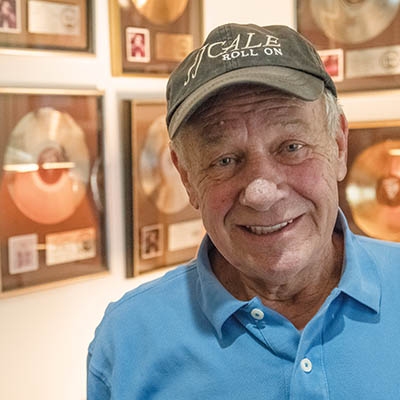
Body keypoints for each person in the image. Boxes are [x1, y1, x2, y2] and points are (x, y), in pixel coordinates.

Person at [87, 23, 400, 399]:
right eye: (225, 160)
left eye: (291, 147)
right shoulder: (129, 340)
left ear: (337, 145)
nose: (261, 192)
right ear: (187, 177)